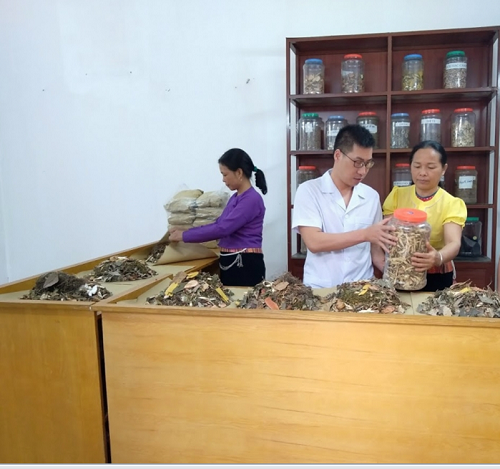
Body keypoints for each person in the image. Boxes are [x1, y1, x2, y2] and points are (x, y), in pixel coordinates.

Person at [292, 124, 397, 289]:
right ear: (338, 155)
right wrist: (365, 234)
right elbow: (314, 242)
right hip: (321, 289)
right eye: (358, 162)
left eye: (368, 163)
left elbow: (376, 252)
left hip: (361, 289)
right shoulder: (309, 190)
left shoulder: (371, 196)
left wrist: (400, 274)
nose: (362, 171)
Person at [169, 148, 267, 287]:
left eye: (225, 174)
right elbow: (218, 224)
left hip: (245, 264)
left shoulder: (251, 199)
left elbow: (223, 229)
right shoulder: (235, 197)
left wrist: (184, 235)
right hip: (233, 262)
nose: (223, 180)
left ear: (239, 172)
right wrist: (185, 230)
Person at [382, 140, 467, 292]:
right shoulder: (397, 195)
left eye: (431, 167)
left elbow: (453, 243)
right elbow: (387, 235)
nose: (422, 172)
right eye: (417, 166)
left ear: (443, 169)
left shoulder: (452, 203)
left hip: (437, 274)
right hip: (399, 273)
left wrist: (438, 257)